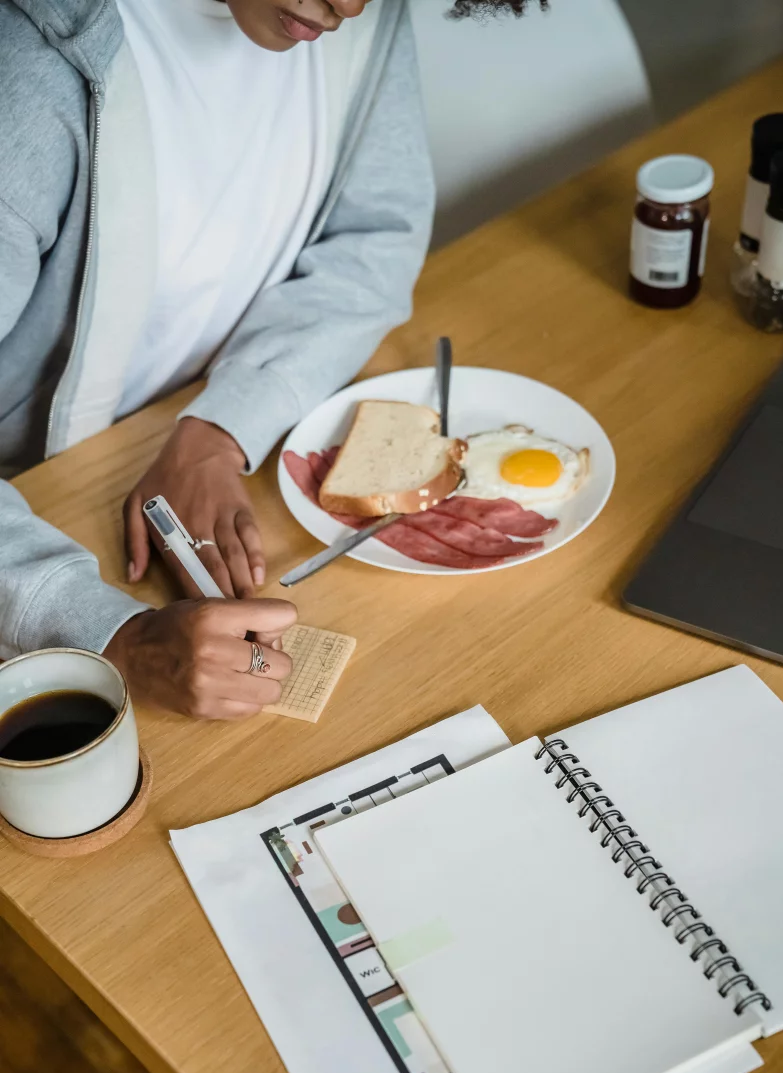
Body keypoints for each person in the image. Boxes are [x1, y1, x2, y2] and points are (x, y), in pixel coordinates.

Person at [0, 0, 542, 719]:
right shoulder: (26, 70)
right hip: (36, 513)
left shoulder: (357, 17)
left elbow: (373, 242)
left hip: (185, 443)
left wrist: (218, 432)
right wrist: (113, 637)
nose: (349, 6)